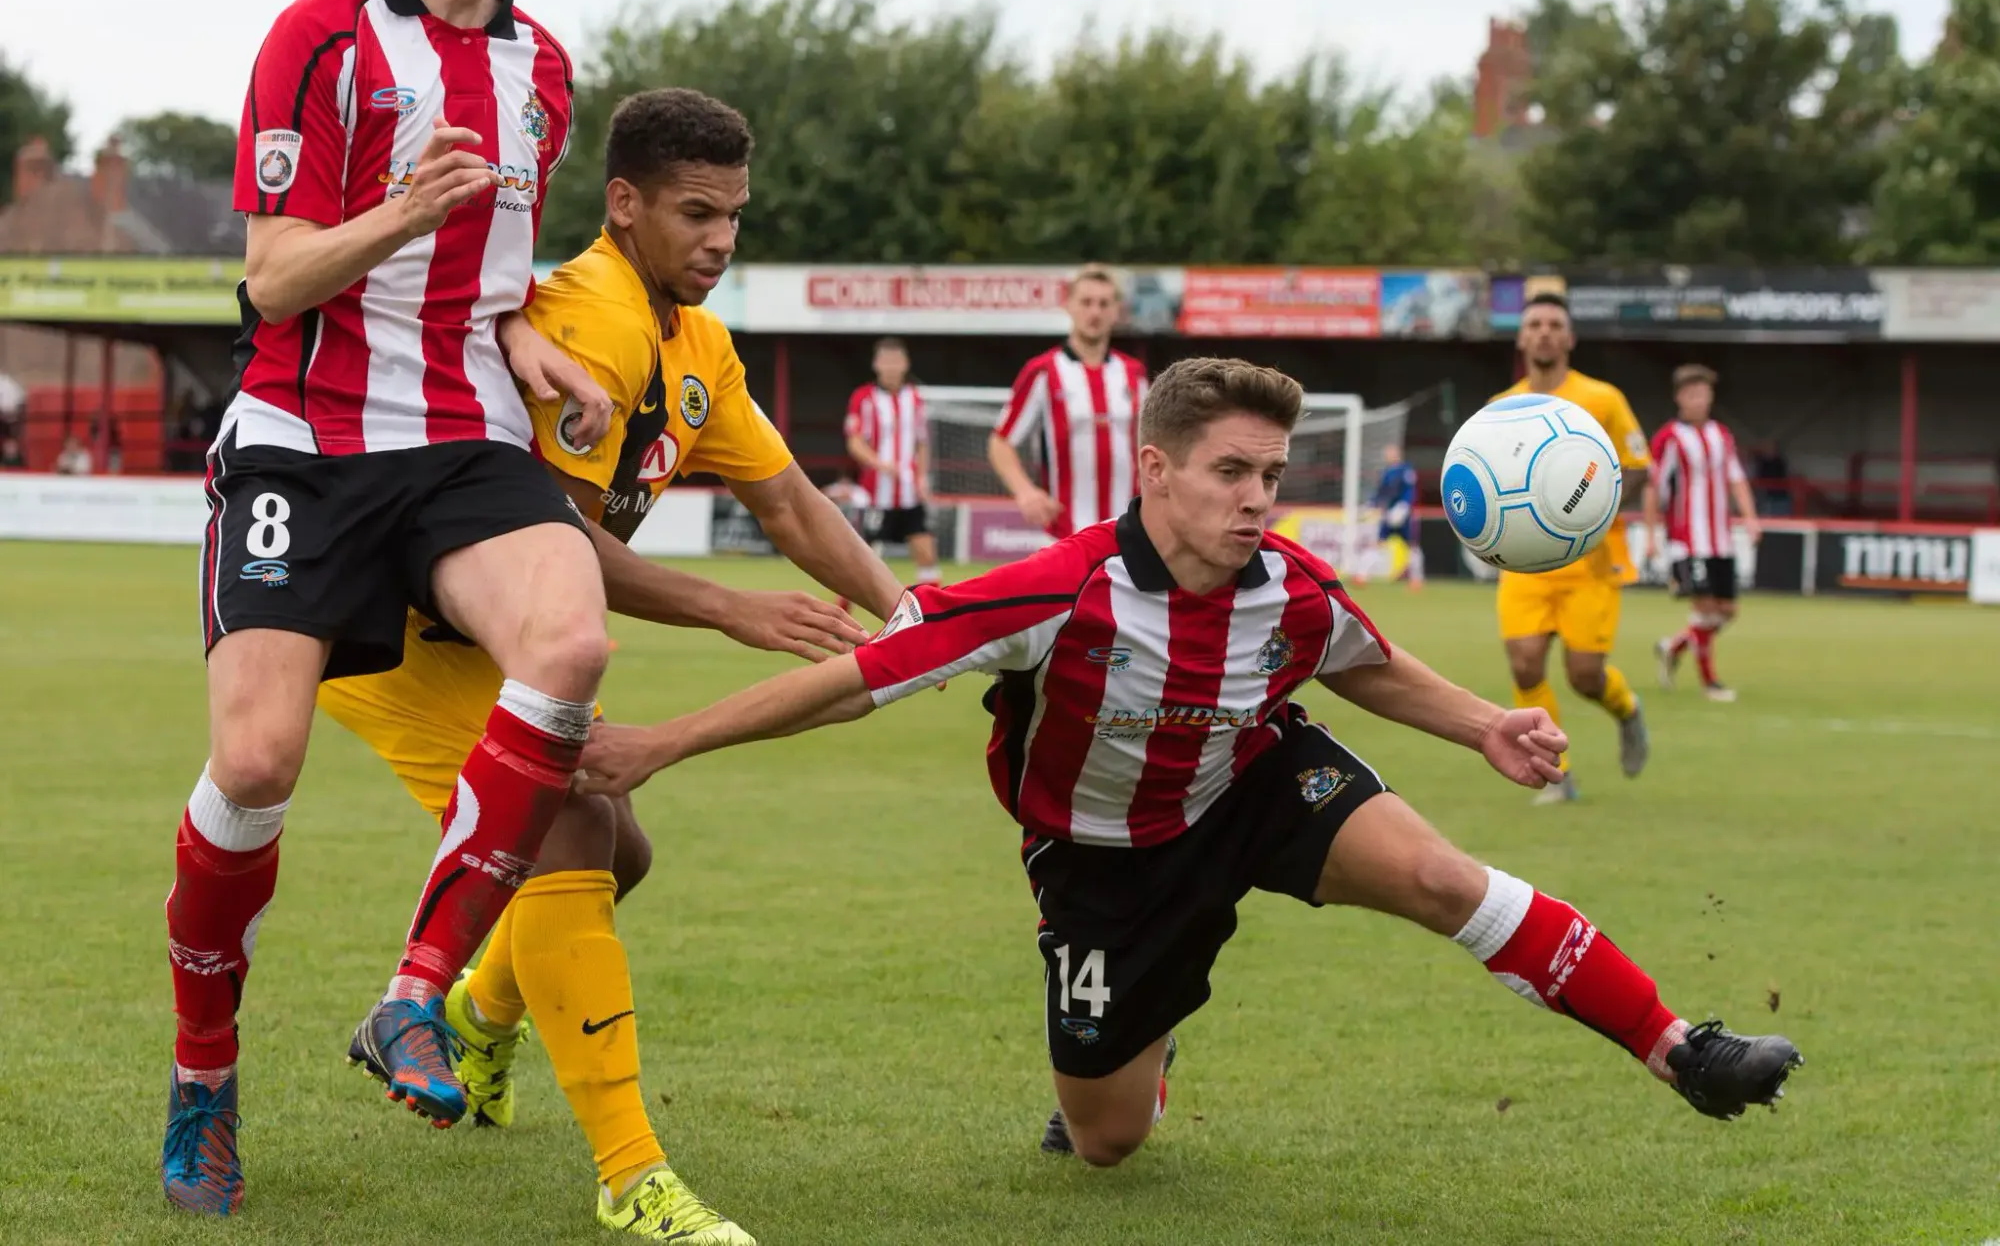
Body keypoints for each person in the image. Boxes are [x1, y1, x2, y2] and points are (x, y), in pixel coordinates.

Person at [578, 356, 1804, 1170]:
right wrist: (661, 743)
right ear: (1153, 469)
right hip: (1103, 862)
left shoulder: (1289, 586)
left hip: (1254, 782)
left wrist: (1484, 720)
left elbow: (1363, 665)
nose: (1256, 498)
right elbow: (850, 683)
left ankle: (1679, 1049)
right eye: (1230, 471)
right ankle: (1144, 1059)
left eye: (1270, 474)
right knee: (1102, 1140)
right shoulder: (1051, 590)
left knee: (1443, 880)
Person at [320, 88, 902, 1244]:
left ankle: (482, 1025)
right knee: (572, 828)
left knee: (615, 842)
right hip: (403, 635)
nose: (722, 241)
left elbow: (785, 499)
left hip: (494, 640)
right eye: (696, 213)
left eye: (734, 215)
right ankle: (631, 1175)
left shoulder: (695, 341)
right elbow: (546, 538)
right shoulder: (591, 314)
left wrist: (914, 610)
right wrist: (728, 610)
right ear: (624, 204)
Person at [164, 0, 618, 1216]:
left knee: (572, 646)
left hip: (465, 437)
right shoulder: (320, 38)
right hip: (306, 439)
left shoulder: (545, 69)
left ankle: (413, 995)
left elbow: (492, 277)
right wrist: (401, 209)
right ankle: (204, 1080)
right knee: (254, 763)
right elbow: (272, 278)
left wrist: (531, 344)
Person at [1492, 294, 1651, 805]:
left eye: (1553, 324)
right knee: (1524, 665)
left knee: (1585, 677)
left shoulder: (1603, 398)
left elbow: (1640, 466)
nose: (1543, 332)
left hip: (1591, 561)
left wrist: (1592, 509)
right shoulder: (1501, 409)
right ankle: (1555, 774)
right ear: (1521, 338)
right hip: (1526, 562)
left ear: (1569, 338)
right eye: (1534, 323)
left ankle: (1626, 709)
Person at [987, 264, 1149, 540]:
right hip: (1065, 534)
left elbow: (1153, 444)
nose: (1094, 312)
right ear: (1069, 305)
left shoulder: (1134, 374)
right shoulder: (1043, 371)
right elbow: (1000, 442)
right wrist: (1025, 492)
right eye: (1086, 302)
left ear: (1115, 311)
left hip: (1130, 532)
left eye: (1103, 303)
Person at [1644, 365, 1762, 703]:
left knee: (1727, 611)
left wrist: (1751, 518)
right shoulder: (1669, 438)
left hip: (1720, 538)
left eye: (1703, 392)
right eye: (1691, 393)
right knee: (1706, 608)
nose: (1698, 399)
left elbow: (1736, 479)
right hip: (1687, 538)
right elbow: (1654, 486)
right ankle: (1711, 683)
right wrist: (1651, 535)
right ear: (1680, 397)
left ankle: (1673, 646)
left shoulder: (1722, 435)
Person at [845, 336, 941, 584]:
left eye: (895, 361)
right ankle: (840, 613)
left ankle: (933, 614)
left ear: (905, 364)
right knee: (861, 560)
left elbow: (921, 442)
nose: (890, 367)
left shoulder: (915, 398)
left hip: (909, 491)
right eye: (885, 361)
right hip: (876, 492)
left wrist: (921, 477)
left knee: (926, 552)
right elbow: (854, 442)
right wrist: (879, 464)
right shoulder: (863, 397)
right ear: (876, 364)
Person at [1371, 442, 1423, 589]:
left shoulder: (1406, 470)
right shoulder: (1386, 472)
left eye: (1391, 452)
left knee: (1412, 546)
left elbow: (1410, 491)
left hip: (1403, 515)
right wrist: (1373, 504)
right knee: (1379, 542)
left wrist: (1404, 507)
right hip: (1388, 515)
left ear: (1398, 454)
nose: (1388, 456)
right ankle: (1361, 576)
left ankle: (1417, 579)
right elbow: (1381, 493)